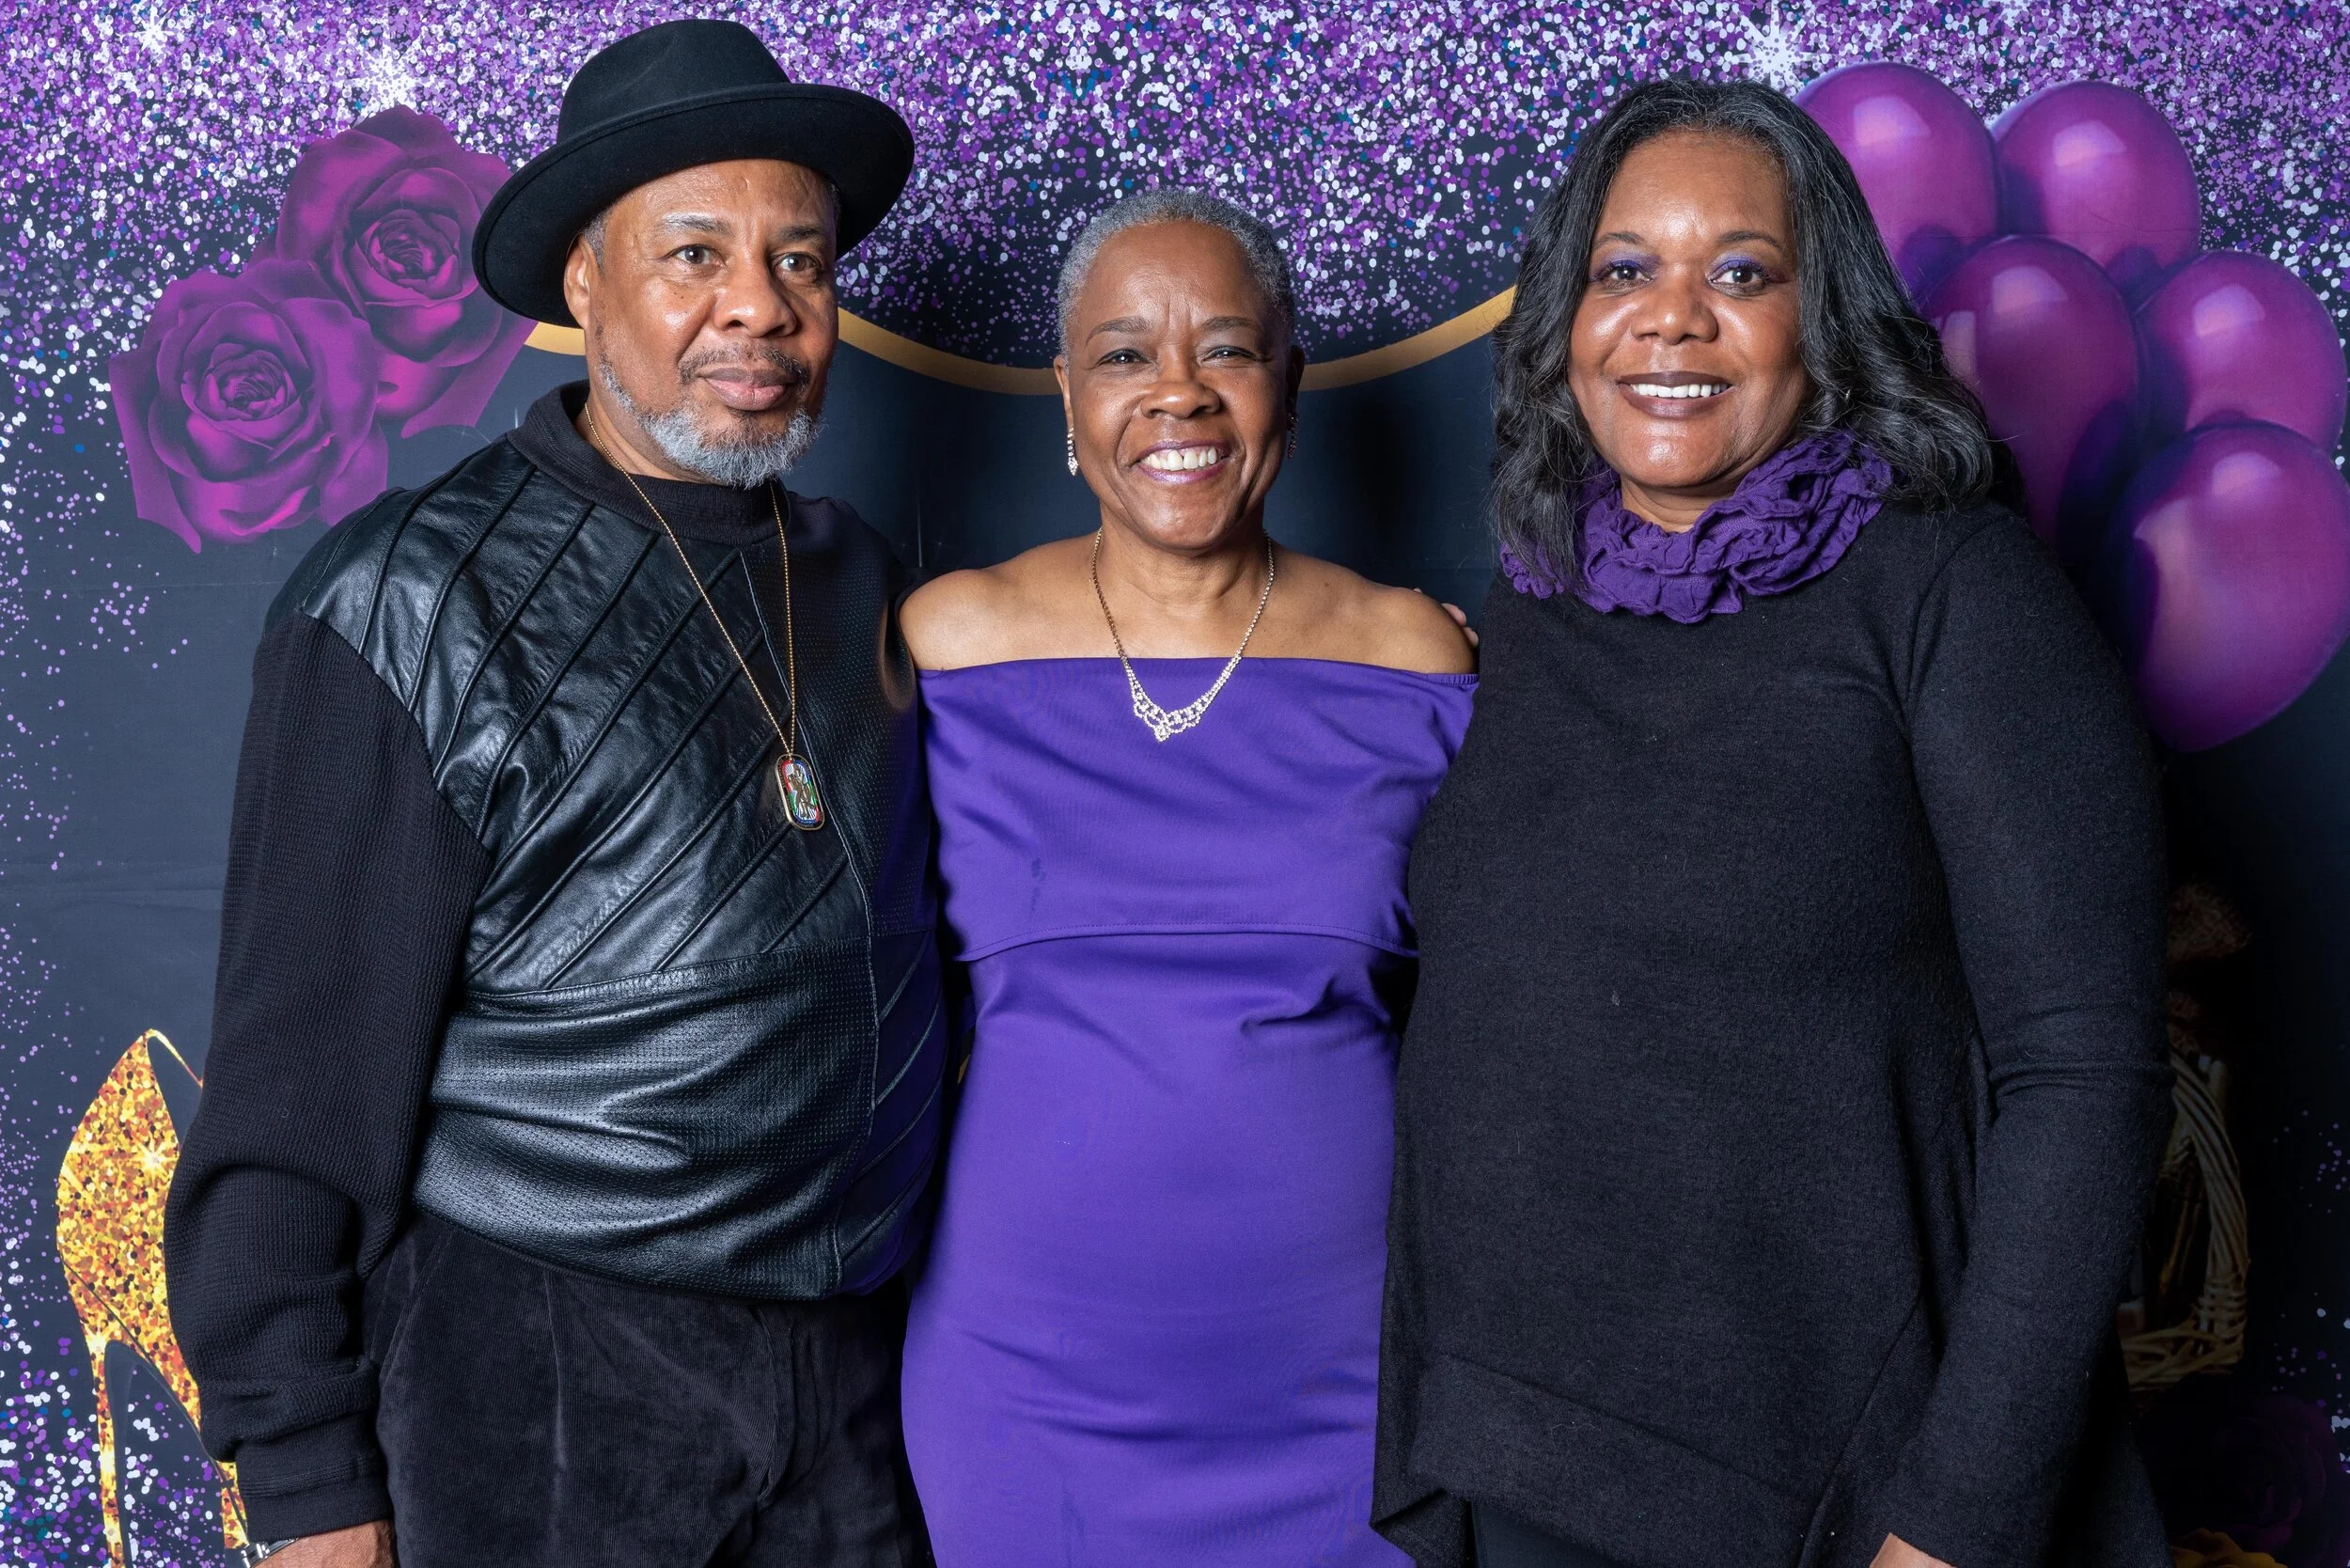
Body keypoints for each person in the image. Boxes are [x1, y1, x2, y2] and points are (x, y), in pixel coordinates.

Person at [164, 21, 943, 1568]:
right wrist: (309, 1480)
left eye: (799, 260)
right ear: (585, 283)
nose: (759, 306)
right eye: (695, 254)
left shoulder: (861, 577)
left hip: (858, 1377)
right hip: (547, 1370)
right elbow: (298, 1077)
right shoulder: (412, 601)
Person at [1375, 80, 2170, 1568]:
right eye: (1625, 268)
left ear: (1824, 319)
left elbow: (2086, 1077)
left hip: (1837, 1499)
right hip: (1526, 1458)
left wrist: (1956, 1525)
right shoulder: (1537, 597)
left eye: (1740, 272)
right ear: (1564, 321)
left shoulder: (1954, 590)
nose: (1671, 319)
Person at [896, 187, 1476, 1566]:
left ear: (1287, 384)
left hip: (1350, 1387)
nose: (1179, 394)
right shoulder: (950, 642)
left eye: (1226, 349)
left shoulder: (1414, 657)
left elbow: (1507, 1015)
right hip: (1026, 1388)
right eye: (1124, 355)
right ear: (1067, 396)